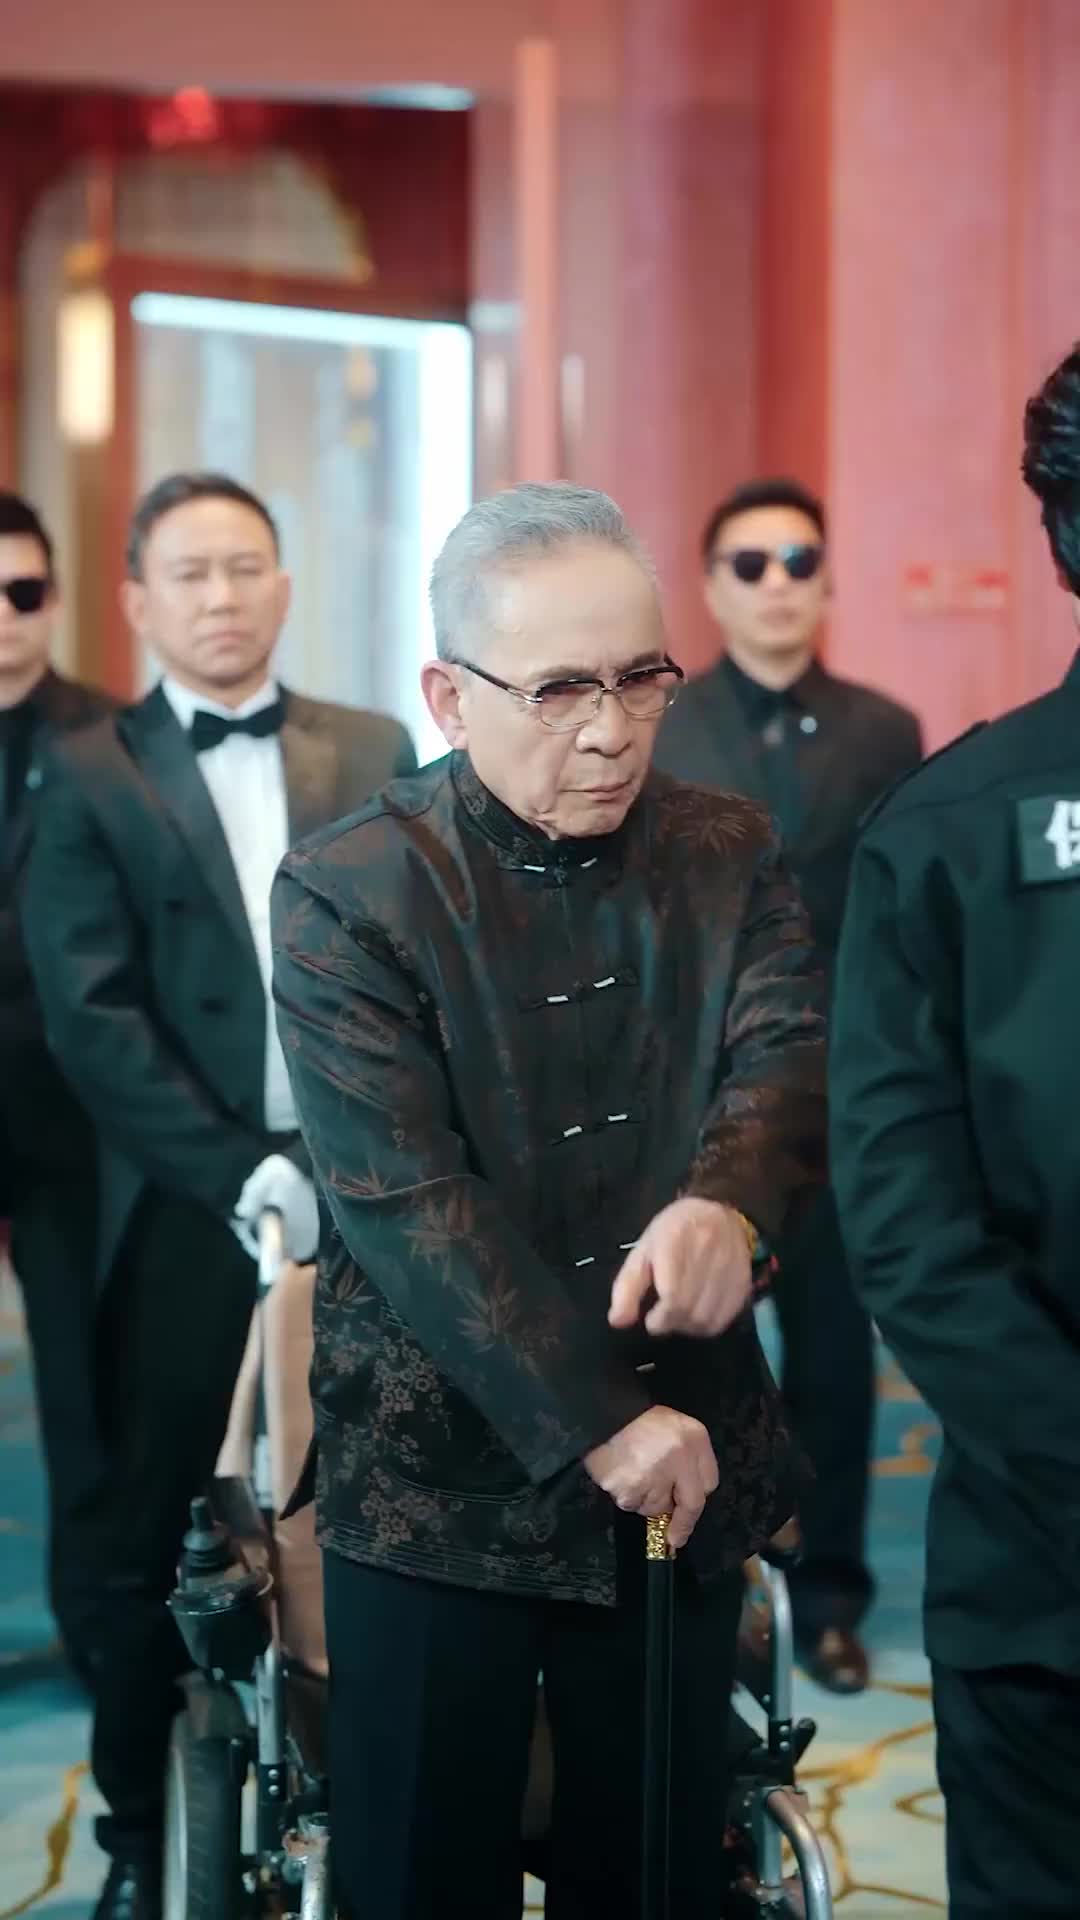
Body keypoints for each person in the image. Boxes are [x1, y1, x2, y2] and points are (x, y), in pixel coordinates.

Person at [271, 481, 827, 1919]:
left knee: (652, 1867)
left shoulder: (728, 849)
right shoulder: (349, 890)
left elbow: (784, 1060)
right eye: (561, 689)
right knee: (420, 1874)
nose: (612, 730)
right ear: (448, 698)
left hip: (680, 1466)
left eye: (642, 679)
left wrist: (730, 1208)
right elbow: (408, 1200)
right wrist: (599, 1420)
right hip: (440, 1481)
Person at [23, 472, 416, 1920]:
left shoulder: (370, 746)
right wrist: (232, 1166)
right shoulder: (86, 769)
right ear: (137, 601)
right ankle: (140, 1832)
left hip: (361, 1183)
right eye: (190, 574)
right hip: (183, 1202)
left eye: (246, 566)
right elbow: (92, 1017)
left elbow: (415, 963)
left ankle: (379, 1792)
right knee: (160, 1528)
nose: (223, 596)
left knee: (376, 1499)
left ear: (286, 584)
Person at [830, 342, 1080, 1918]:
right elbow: (907, 1227)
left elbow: (911, 1230)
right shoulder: (946, 834)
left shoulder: (942, 821)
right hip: (1048, 1575)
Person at [653, 477, 923, 1691]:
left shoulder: (884, 730)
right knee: (689, 1350)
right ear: (712, 588)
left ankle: (830, 1599)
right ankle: (698, 1585)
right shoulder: (666, 724)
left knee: (831, 1358)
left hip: (839, 1098)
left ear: (827, 581)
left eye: (800, 561)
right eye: (750, 564)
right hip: (694, 1098)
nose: (778, 585)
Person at [0, 491, 114, 1680]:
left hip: (70, 1122)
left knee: (82, 1396)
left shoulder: (112, 741)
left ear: (55, 599)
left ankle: (96, 1635)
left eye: (22, 590)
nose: (2, 615)